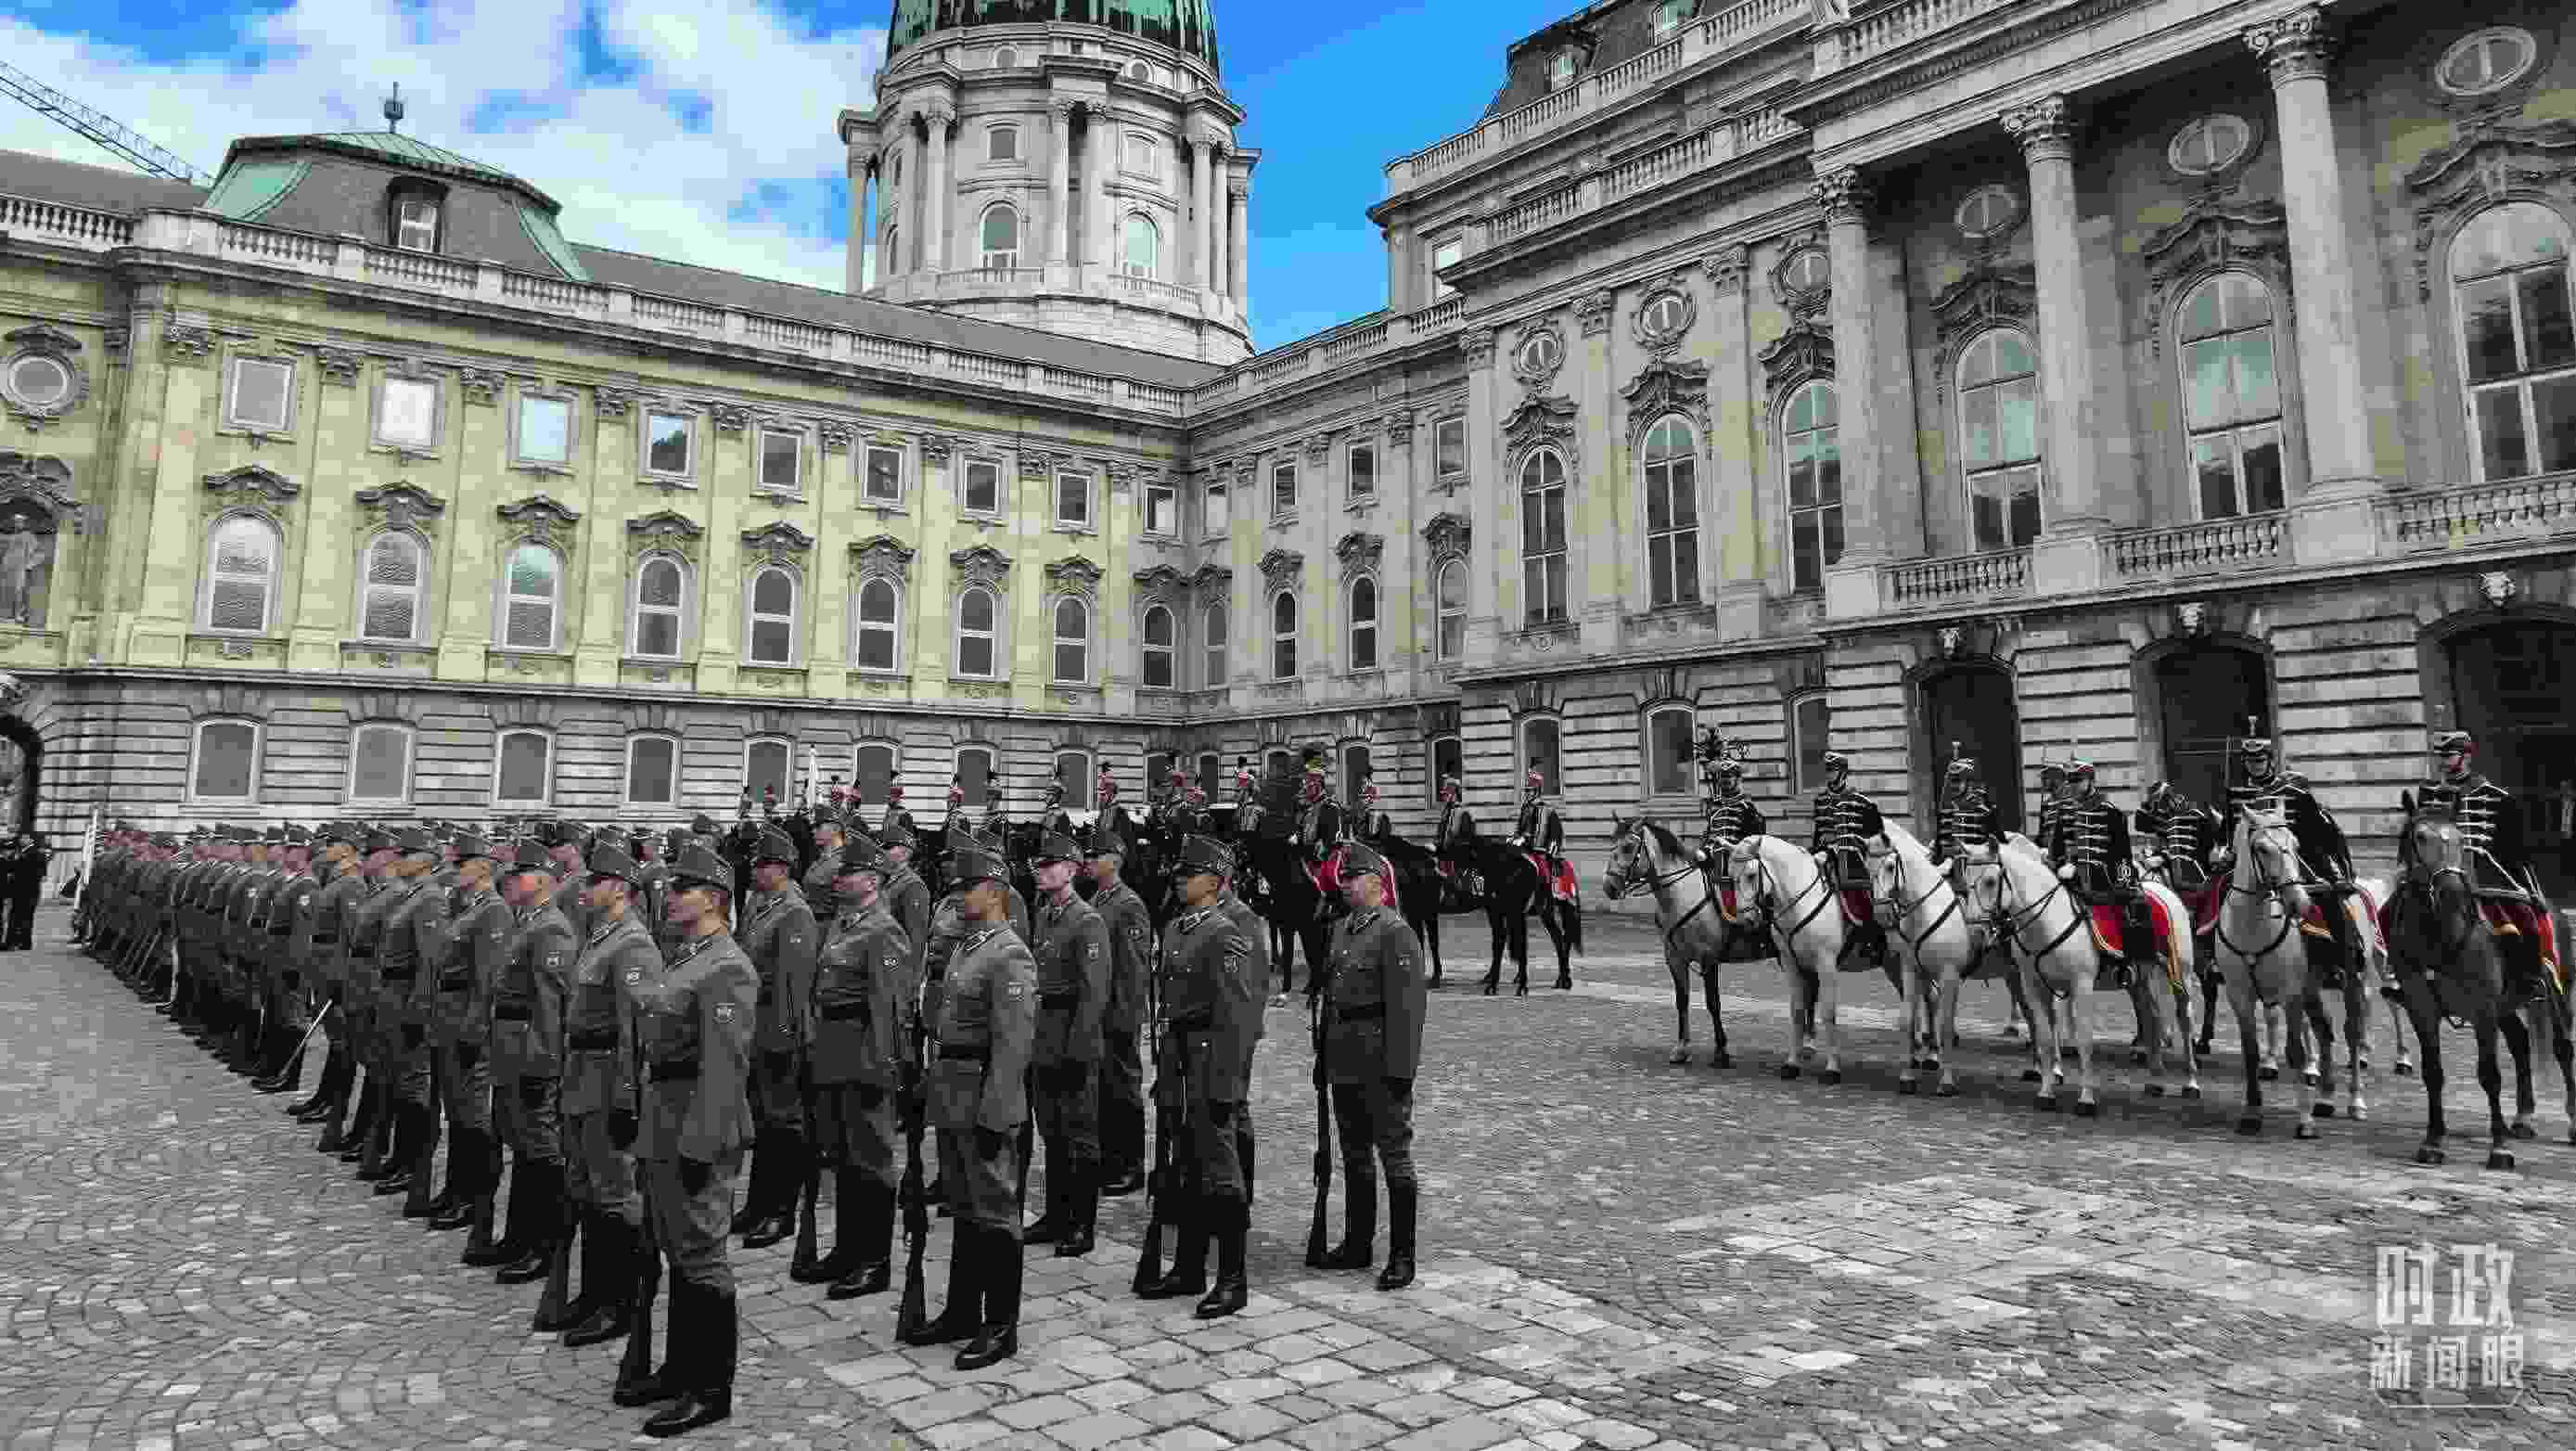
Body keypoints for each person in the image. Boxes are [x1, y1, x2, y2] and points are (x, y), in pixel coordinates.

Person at [624, 842, 759, 1437]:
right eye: (672, 886)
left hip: (697, 1127)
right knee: (676, 1252)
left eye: (685, 888)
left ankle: (710, 1390)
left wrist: (701, 1148)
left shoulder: (727, 966)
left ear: (716, 900)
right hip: (665, 1119)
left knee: (702, 1258)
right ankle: (681, 1370)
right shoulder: (687, 955)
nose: (672, 895)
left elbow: (725, 1070)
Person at [902, 841, 1038, 1369]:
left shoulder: (1009, 954)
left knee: (995, 1211)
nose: (959, 896)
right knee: (963, 1206)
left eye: (969, 888)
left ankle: (1001, 1325)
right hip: (955, 1088)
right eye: (957, 888)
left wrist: (997, 1112)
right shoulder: (967, 946)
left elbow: (1013, 1044)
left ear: (996, 891)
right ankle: (962, 1310)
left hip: (984, 1091)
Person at [1138, 835, 1262, 1316]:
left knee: (1220, 1168)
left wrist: (1227, 1083)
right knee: (1186, 1165)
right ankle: (1188, 1267)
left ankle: (1233, 1278)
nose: (1179, 881)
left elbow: (1236, 1015)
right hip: (1180, 1058)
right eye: (1178, 874)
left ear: (1213, 882)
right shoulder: (1176, 929)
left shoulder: (1225, 933)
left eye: (1188, 875)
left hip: (1211, 1061)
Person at [556, 840, 663, 1364]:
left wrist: (627, 1100)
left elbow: (637, 1034)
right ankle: (596, 1291)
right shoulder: (600, 936)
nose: (585, 887)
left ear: (619, 889)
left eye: (595, 881)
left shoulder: (632, 945)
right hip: (581, 1076)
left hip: (606, 1083)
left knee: (614, 1194)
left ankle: (620, 1303)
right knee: (587, 1189)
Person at [798, 837, 908, 1299]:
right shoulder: (843, 925)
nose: (838, 879)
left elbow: (890, 1008)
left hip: (864, 1057)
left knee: (871, 1162)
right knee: (843, 1159)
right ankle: (847, 1250)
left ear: (873, 881)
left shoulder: (882, 931)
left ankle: (873, 1260)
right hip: (834, 1053)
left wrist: (882, 1066)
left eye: (848, 872)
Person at [1316, 842, 1429, 1292]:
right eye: (1342, 879)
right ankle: (1357, 1242)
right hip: (1345, 1057)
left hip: (1380, 1060)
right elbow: (1331, 1000)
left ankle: (1403, 1255)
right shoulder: (1342, 929)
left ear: (1376, 882)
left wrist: (1401, 1070)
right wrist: (1325, 1056)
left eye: (1351, 878)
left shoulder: (1395, 932)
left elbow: (1408, 1009)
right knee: (1354, 1153)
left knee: (1394, 1157)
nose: (1343, 885)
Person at [492, 839, 582, 1327]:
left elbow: (551, 1007)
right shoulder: (527, 921)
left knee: (540, 1150)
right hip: (513, 1053)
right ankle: (520, 1236)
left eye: (519, 875)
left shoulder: (550, 929)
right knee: (523, 1145)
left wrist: (543, 1066)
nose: (509, 880)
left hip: (533, 1057)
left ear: (542, 880)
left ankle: (543, 1246)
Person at [2417, 728, 2559, 991]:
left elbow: (2516, 851)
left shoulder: (2495, 796)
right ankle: (2398, 972)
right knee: (2394, 912)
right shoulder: (2429, 793)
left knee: (2526, 922)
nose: (2443, 761)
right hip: (2437, 873)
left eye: (2449, 755)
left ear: (2466, 756)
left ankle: (2530, 982)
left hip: (2484, 874)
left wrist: (2530, 889)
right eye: (2441, 756)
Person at [1024, 830, 1109, 1256]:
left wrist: (1080, 1048)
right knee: (1052, 1132)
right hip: (1045, 1035)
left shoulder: (1087, 921)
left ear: (1072, 870)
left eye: (1049, 865)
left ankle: (1081, 1223)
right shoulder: (1045, 916)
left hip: (1072, 1034)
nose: (1040, 872)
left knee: (1079, 1135)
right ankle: (1056, 1215)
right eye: (1038, 866)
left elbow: (1093, 993)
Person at [734, 828, 817, 1250]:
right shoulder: (761, 907)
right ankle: (758, 1204)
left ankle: (781, 1212)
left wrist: (785, 1037)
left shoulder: (794, 913)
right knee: (763, 1123)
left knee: (782, 1124)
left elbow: (793, 983)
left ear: (782, 869)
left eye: (763, 865)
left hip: (778, 1031)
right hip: (757, 1028)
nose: (755, 871)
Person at [435, 835, 514, 1258]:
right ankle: (456, 1188)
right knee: (457, 1112)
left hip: (469, 1025)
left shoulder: (493, 911)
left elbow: (488, 980)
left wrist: (475, 1029)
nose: (455, 868)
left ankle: (475, 1201)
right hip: (450, 1018)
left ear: (482, 867)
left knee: (474, 1117)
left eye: (462, 863)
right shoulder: (466, 906)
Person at [2042, 761, 2151, 986]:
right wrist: (2059, 864)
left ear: (2091, 781)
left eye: (2078, 781)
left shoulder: (2110, 811)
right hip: (2071, 879)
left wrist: (2124, 882)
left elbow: (2121, 853)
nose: (2073, 785)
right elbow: (2057, 848)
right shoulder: (2066, 811)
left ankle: (2126, 963)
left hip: (2104, 879)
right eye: (2070, 781)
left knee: (2126, 909)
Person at [1088, 832, 1155, 1198]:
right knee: (1103, 1090)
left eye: (1096, 856)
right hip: (1100, 1012)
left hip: (1118, 1013)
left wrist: (1125, 1017)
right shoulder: (1098, 899)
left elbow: (1133, 968)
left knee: (1123, 1090)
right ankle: (1109, 1159)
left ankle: (1131, 1166)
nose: (1089, 861)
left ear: (1114, 860)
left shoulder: (1128, 904)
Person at [1811, 749, 1890, 969]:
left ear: (1843, 772)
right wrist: (1816, 851)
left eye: (1833, 770)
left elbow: (1876, 836)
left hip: (1853, 859)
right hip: (1823, 857)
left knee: (1862, 897)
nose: (1829, 774)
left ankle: (1871, 939)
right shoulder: (1820, 800)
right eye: (1827, 770)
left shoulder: (1861, 802)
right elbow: (1819, 833)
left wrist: (1853, 846)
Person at [1693, 735, 1766, 870]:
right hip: (1712, 859)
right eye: (1722, 776)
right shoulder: (1714, 806)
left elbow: (1754, 841)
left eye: (1729, 776)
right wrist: (1703, 849)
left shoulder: (1746, 807)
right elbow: (1710, 833)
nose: (1725, 780)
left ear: (1737, 779)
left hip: (1738, 860)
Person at [1432, 775, 1481, 901]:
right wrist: (1437, 844)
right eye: (1444, 795)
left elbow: (1468, 838)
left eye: (1446, 794)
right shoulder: (1445, 811)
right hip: (1445, 855)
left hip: (1459, 857)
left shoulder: (1463, 813)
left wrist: (1452, 846)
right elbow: (1441, 833)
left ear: (1454, 794)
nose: (1444, 797)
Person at [3, 827, 48, 949]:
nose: (21, 840)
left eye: (24, 838)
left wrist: (17, 872)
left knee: (24, 917)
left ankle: (19, 942)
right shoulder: (19, 852)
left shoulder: (37, 854)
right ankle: (19, 942)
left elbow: (39, 873)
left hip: (28, 891)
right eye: (21, 837)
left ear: (30, 839)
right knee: (17, 917)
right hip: (18, 890)